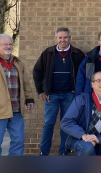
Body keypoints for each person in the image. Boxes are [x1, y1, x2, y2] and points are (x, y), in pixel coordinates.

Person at [0, 34, 35, 156]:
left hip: (17, 110)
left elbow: (26, 83)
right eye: (5, 44)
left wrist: (29, 99)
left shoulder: (18, 63)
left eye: (10, 44)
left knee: (18, 141)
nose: (8, 46)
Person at [33, 27, 86, 156]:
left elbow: (84, 74)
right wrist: (41, 91)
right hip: (51, 95)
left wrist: (78, 91)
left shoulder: (77, 54)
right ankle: (43, 152)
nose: (63, 40)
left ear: (69, 38)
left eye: (65, 37)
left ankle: (63, 151)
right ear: (56, 38)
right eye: (60, 37)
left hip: (69, 94)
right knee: (48, 123)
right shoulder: (48, 53)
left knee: (66, 124)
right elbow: (37, 72)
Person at [61, 72, 101, 156]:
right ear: (92, 84)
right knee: (88, 148)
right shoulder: (81, 99)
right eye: (98, 80)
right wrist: (84, 136)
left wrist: (98, 139)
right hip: (81, 140)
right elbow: (66, 122)